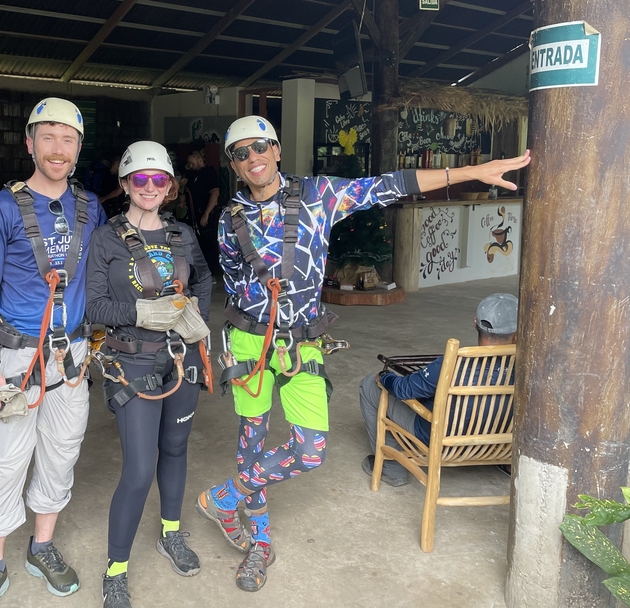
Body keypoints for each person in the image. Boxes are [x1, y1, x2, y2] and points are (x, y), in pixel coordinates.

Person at [195, 115, 531, 592]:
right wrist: (229, 348)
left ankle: (224, 497)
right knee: (251, 439)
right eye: (240, 153)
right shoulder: (231, 220)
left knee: (310, 450)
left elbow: (389, 185)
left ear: (276, 149)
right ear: (233, 164)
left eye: (259, 147)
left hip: (302, 343)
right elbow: (232, 283)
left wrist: (472, 171)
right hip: (248, 341)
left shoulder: (317, 196)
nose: (252, 158)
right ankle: (260, 542)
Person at [0, 97, 107, 608]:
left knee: (60, 452)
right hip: (16, 359)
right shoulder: (2, 208)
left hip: (71, 359)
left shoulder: (92, 208)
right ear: (29, 143)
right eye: (47, 137)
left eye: (67, 139)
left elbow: (105, 281)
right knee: (3, 460)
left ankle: (41, 547)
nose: (57, 148)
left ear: (78, 148)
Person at [86, 141, 213, 608]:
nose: (150, 187)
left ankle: (171, 535)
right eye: (140, 179)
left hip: (182, 356)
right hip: (132, 360)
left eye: (159, 180)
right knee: (139, 469)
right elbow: (93, 306)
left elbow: (202, 278)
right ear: (124, 185)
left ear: (170, 187)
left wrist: (194, 314)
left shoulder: (181, 234)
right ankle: (116, 569)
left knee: (175, 449)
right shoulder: (106, 239)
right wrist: (143, 312)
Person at [358, 293, 519, 487]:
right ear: (517, 334)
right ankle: (509, 464)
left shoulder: (453, 364)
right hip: (494, 443)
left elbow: (404, 389)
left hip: (441, 440)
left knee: (369, 386)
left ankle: (391, 470)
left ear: (475, 323)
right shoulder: (530, 367)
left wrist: (385, 377)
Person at [184, 149, 222, 279]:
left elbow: (215, 193)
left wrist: (206, 213)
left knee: (208, 245)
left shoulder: (209, 173)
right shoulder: (194, 175)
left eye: (192, 163)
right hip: (194, 217)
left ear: (199, 160)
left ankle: (211, 273)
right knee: (197, 245)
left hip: (205, 215)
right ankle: (199, 273)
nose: (191, 165)